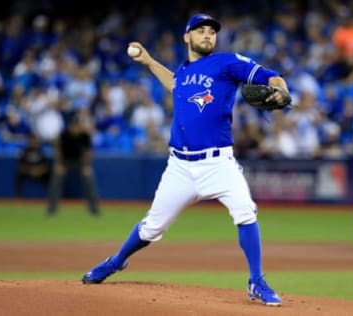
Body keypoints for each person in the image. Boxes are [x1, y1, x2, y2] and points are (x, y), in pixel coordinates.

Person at [81, 13, 290, 306]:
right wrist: (150, 62)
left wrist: (282, 90)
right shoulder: (184, 71)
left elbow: (271, 76)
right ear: (186, 37)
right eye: (200, 30)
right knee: (152, 228)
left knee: (245, 211)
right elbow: (176, 85)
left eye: (211, 31)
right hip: (179, 166)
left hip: (218, 163)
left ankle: (256, 280)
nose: (207, 35)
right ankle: (116, 260)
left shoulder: (226, 62)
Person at [46, 111, 101, 216]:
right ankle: (52, 208)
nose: (76, 128)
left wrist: (86, 166)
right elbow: (58, 151)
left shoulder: (84, 136)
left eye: (78, 126)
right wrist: (59, 164)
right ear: (71, 126)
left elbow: (88, 153)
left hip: (80, 162)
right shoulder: (64, 135)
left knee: (89, 178)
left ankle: (94, 209)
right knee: (56, 177)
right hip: (65, 161)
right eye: (74, 126)